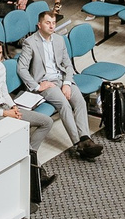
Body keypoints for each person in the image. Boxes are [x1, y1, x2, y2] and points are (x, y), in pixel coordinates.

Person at [19, 10, 101, 159]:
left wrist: (67, 83)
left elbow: (68, 65)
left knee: (80, 102)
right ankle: (78, 144)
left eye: (53, 23)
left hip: (62, 79)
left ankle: (85, 139)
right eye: (48, 23)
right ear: (39, 24)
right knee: (64, 104)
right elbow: (21, 68)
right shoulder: (30, 43)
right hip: (46, 83)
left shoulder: (59, 39)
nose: (51, 26)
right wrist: (37, 86)